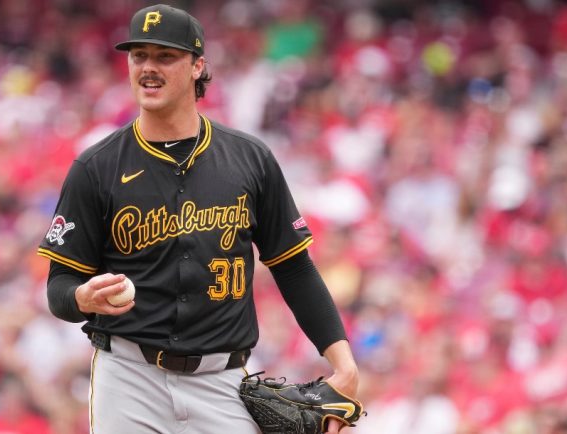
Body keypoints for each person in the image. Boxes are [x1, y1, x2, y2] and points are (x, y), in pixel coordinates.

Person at [38, 4, 361, 433]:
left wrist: (343, 364)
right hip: (130, 377)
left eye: (165, 56)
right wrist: (82, 299)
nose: (148, 68)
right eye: (139, 56)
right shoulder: (96, 167)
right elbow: (59, 287)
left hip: (223, 380)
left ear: (197, 66)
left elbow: (292, 265)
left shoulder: (250, 159)